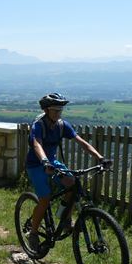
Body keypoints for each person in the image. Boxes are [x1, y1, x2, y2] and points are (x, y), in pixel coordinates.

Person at [25, 93, 111, 252]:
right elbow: (36, 144)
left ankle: (64, 219)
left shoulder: (62, 125)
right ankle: (33, 232)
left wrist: (100, 158)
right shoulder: (39, 125)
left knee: (72, 184)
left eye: (60, 110)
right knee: (44, 199)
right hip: (36, 164)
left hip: (52, 162)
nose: (58, 113)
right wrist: (44, 161)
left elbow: (82, 143)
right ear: (46, 110)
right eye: (55, 110)